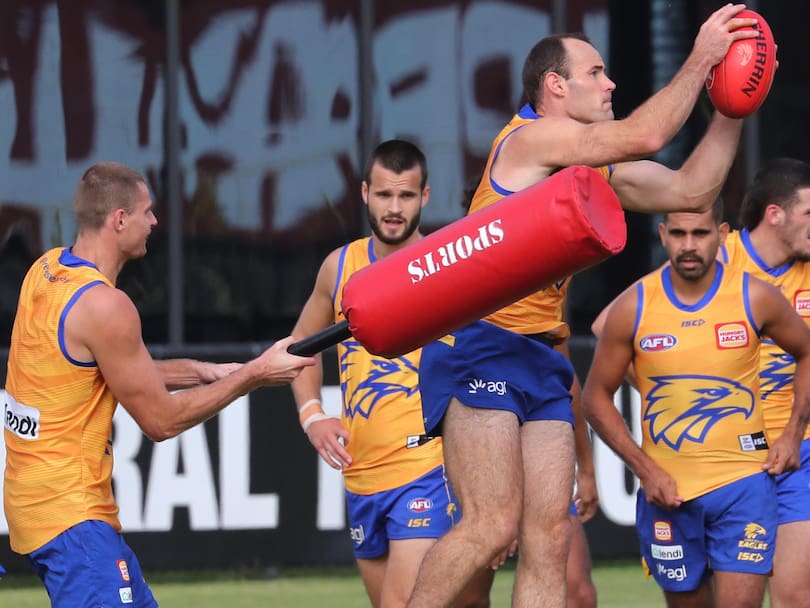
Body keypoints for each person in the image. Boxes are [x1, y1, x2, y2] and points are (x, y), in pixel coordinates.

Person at [409, 5, 761, 606]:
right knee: (493, 525)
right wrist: (703, 58)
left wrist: (733, 106)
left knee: (550, 536)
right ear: (555, 86)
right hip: (480, 345)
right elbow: (646, 134)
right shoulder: (529, 139)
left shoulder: (590, 163)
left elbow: (689, 190)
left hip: (542, 354)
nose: (611, 83)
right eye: (596, 74)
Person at [2, 161, 315, 607]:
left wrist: (210, 370)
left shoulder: (46, 269)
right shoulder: (107, 306)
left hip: (33, 506)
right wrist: (254, 375)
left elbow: (110, 370)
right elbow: (160, 421)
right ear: (119, 220)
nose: (155, 222)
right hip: (72, 519)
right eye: (147, 212)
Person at [290, 140, 494, 608]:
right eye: (384, 195)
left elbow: (490, 368)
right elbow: (297, 350)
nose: (395, 208)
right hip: (362, 477)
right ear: (365, 193)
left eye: (406, 196)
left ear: (425, 196)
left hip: (429, 470)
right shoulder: (338, 268)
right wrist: (311, 414)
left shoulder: (450, 263)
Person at [581, 202, 810, 607]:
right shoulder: (635, 307)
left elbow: (806, 349)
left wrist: (792, 433)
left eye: (700, 234)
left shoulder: (755, 297)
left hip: (745, 485)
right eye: (680, 234)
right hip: (667, 492)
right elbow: (594, 397)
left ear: (722, 235)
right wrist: (646, 470)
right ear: (663, 235)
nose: (689, 245)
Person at [717, 158, 810, 608]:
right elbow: (627, 333)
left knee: (794, 593)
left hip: (800, 453)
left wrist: (793, 434)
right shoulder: (717, 258)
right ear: (776, 214)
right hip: (725, 459)